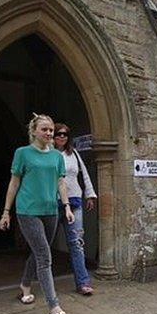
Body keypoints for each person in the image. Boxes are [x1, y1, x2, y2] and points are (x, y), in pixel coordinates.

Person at [0, 113, 75, 314]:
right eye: (45, 129)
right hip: (28, 210)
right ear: (34, 131)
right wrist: (6, 212)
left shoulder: (56, 157)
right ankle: (54, 306)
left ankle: (25, 284)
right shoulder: (22, 153)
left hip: (51, 210)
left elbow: (60, 183)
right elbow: (14, 183)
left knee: (41, 251)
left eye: (51, 129)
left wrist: (66, 206)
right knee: (44, 256)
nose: (50, 133)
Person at [53, 123, 97, 296]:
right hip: (53, 202)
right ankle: (30, 280)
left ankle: (83, 282)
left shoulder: (73, 154)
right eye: (58, 134)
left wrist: (90, 195)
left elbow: (83, 174)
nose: (62, 137)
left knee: (77, 244)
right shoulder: (48, 154)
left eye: (65, 134)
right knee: (45, 244)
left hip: (75, 201)